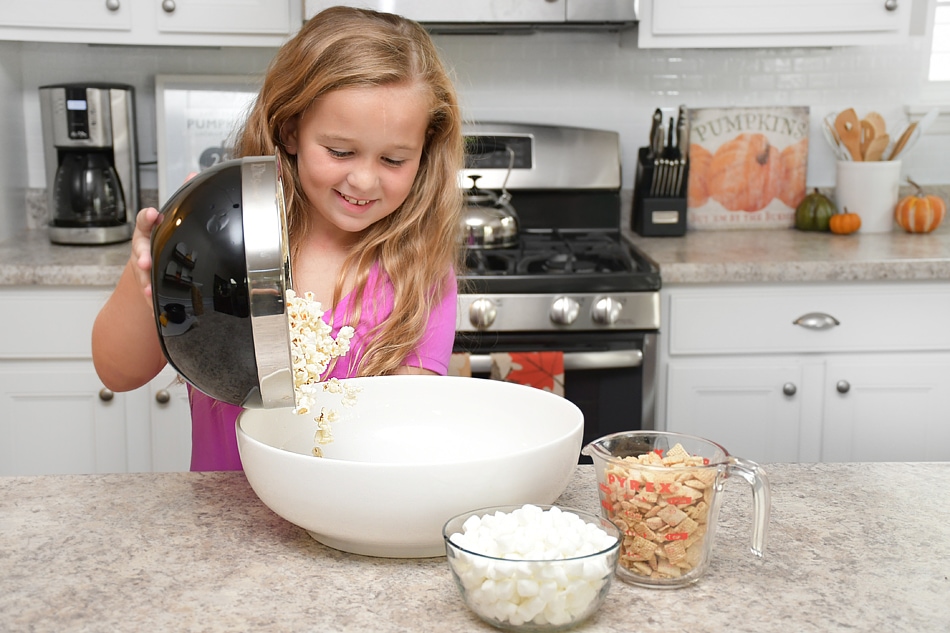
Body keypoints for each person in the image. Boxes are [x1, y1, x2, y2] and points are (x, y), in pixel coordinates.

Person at [92, 6, 464, 471]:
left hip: (350, 518)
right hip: (227, 522)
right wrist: (143, 272)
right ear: (291, 130)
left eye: (393, 160)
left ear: (425, 152)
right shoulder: (226, 238)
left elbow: (403, 433)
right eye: (340, 151)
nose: (365, 180)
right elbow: (118, 372)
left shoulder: (419, 269)